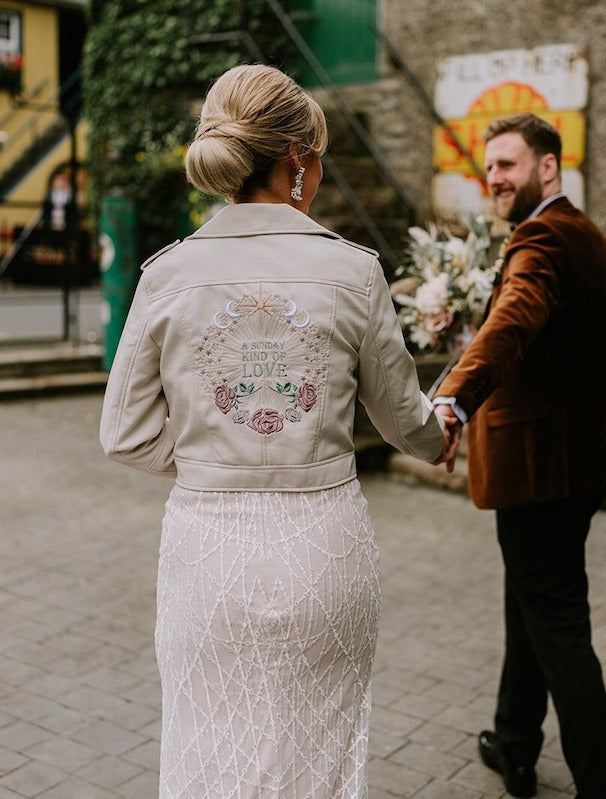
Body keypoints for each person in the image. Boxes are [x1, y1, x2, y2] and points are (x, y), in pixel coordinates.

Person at [100, 64, 456, 799]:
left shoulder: (168, 275)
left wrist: (209, 457)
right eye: (319, 155)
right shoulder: (354, 272)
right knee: (314, 762)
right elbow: (402, 421)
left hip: (208, 552)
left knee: (207, 752)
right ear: (298, 157)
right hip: (322, 549)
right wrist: (441, 432)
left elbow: (124, 434)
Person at [433, 113, 606, 798]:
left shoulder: (544, 237)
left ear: (548, 167)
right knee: (531, 600)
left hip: (541, 470)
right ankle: (515, 742)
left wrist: (454, 396)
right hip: (578, 466)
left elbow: (516, 316)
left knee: (557, 627)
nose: (495, 178)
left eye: (508, 165)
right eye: (490, 167)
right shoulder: (584, 235)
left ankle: (603, 787)